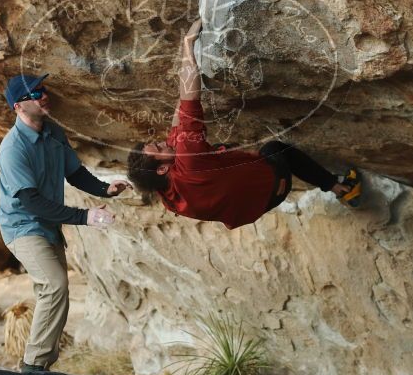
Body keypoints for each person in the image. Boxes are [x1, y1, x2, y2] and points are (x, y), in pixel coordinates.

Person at [127, 20, 360, 229]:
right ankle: (341, 188)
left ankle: (293, 181)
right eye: (158, 148)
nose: (161, 142)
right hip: (271, 188)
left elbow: (181, 111)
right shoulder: (188, 162)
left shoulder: (165, 190)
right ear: (162, 169)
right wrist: (188, 46)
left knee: (219, 148)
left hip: (250, 207)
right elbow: (190, 99)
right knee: (276, 150)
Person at [0, 73, 131, 373]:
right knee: (55, 284)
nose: (44, 96)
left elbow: (74, 172)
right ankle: (34, 366)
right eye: (35, 93)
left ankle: (37, 364)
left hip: (47, 225)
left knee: (55, 293)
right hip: (22, 227)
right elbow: (31, 202)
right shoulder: (12, 149)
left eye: (43, 90)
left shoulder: (53, 131)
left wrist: (104, 189)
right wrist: (86, 217)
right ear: (18, 106)